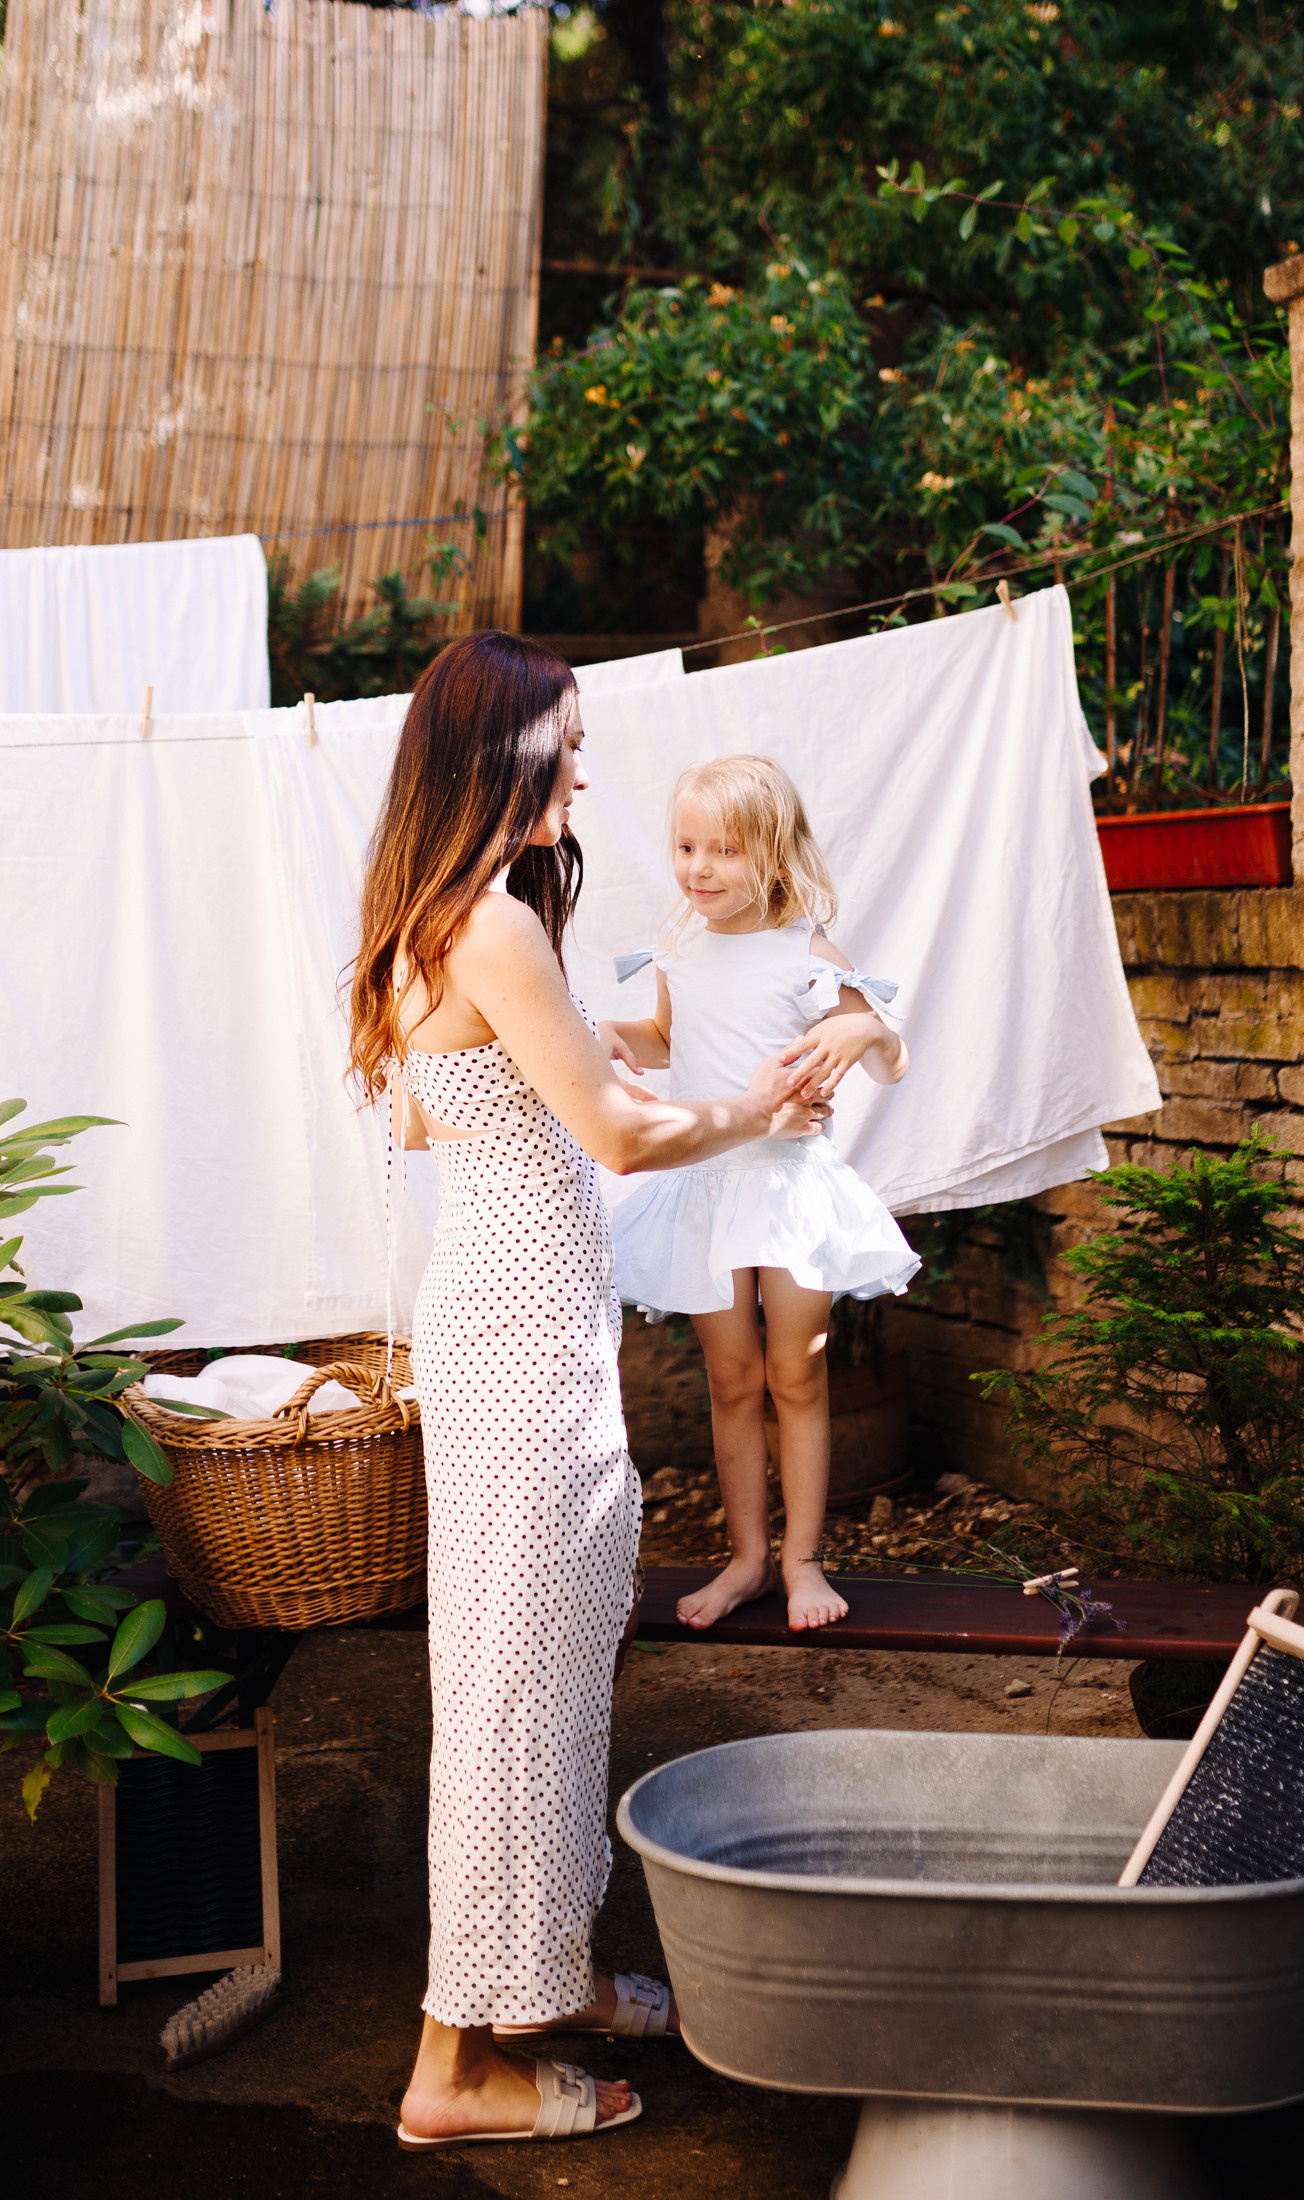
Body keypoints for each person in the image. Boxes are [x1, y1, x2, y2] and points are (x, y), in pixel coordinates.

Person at [347, 638, 828, 2150]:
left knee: (536, 1674)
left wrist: (622, 1064)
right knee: (511, 1695)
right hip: (520, 1341)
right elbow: (616, 1137)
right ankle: (451, 2063)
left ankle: (542, 1976)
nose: (581, 767)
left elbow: (487, 1114)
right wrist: (757, 1107)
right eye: (564, 741)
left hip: (509, 1322)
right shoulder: (487, 925)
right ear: (502, 753)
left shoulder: (438, 916)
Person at [598, 755, 917, 1634]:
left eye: (724, 851)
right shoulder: (680, 950)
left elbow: (891, 1063)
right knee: (731, 1377)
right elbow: (669, 1037)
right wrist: (607, 1034)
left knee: (795, 1370)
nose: (697, 869)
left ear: (774, 856)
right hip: (707, 1184)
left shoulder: (807, 954)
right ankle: (745, 1559)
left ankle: (801, 1560)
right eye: (685, 847)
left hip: (787, 1191)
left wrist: (865, 1028)